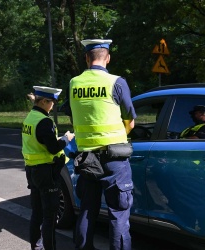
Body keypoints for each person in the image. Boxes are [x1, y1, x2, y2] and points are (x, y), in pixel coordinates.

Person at [67, 39, 136, 250]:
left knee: (88, 208)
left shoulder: (74, 83)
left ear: (87, 58)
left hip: (87, 158)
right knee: (118, 214)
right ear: (108, 58)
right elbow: (131, 121)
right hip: (114, 158)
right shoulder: (116, 82)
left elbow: (75, 117)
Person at [22, 86, 74, 250]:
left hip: (32, 171)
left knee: (36, 214)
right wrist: (66, 139)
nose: (53, 106)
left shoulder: (30, 118)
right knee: (50, 217)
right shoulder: (44, 121)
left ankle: (36, 247)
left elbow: (38, 142)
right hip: (46, 173)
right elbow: (53, 148)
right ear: (44, 101)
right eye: (52, 102)